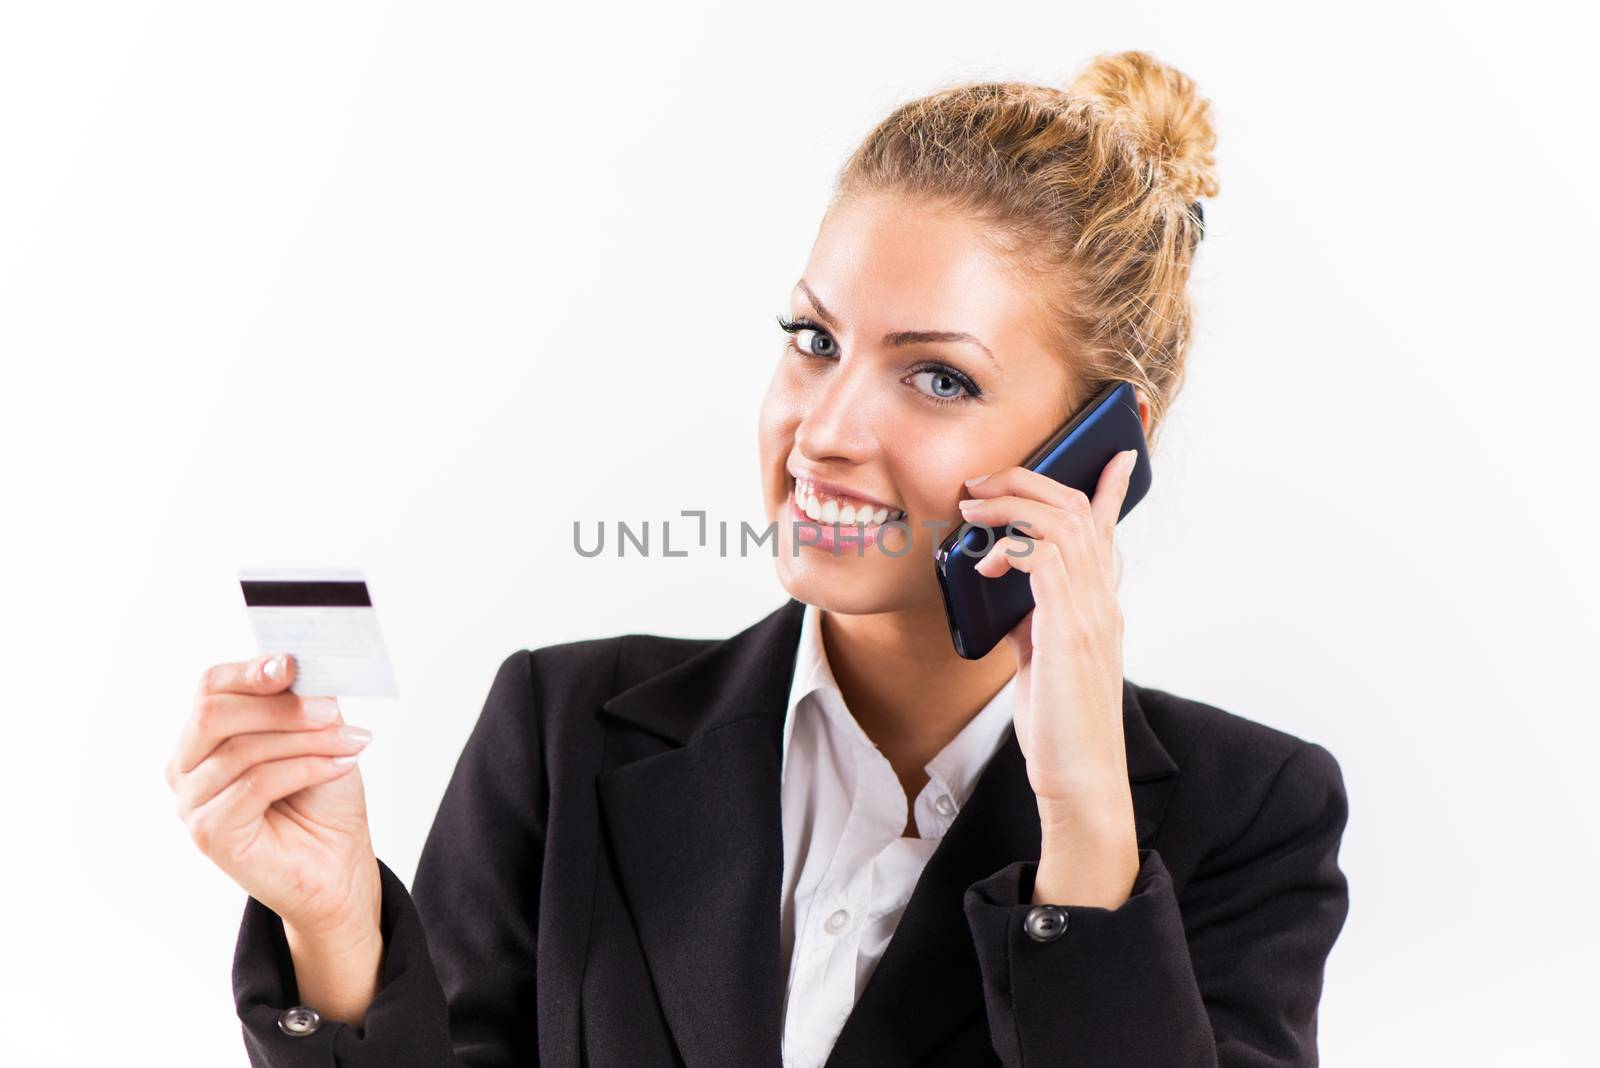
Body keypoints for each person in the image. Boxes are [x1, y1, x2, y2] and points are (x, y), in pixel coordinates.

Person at [167, 50, 1349, 1067]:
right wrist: (335, 932)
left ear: (1101, 455)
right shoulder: (565, 727)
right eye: (813, 340)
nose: (825, 432)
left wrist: (1085, 827)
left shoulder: (1247, 819)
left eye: (937, 377)